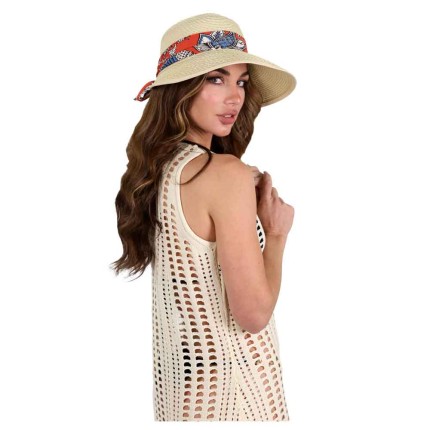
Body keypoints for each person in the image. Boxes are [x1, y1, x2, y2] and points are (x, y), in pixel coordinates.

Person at [110, 12, 296, 421]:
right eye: (216, 79)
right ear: (181, 89)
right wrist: (276, 234)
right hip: (238, 396)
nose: (234, 97)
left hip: (183, 398)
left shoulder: (158, 172)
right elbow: (253, 315)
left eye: (241, 82)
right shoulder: (224, 173)